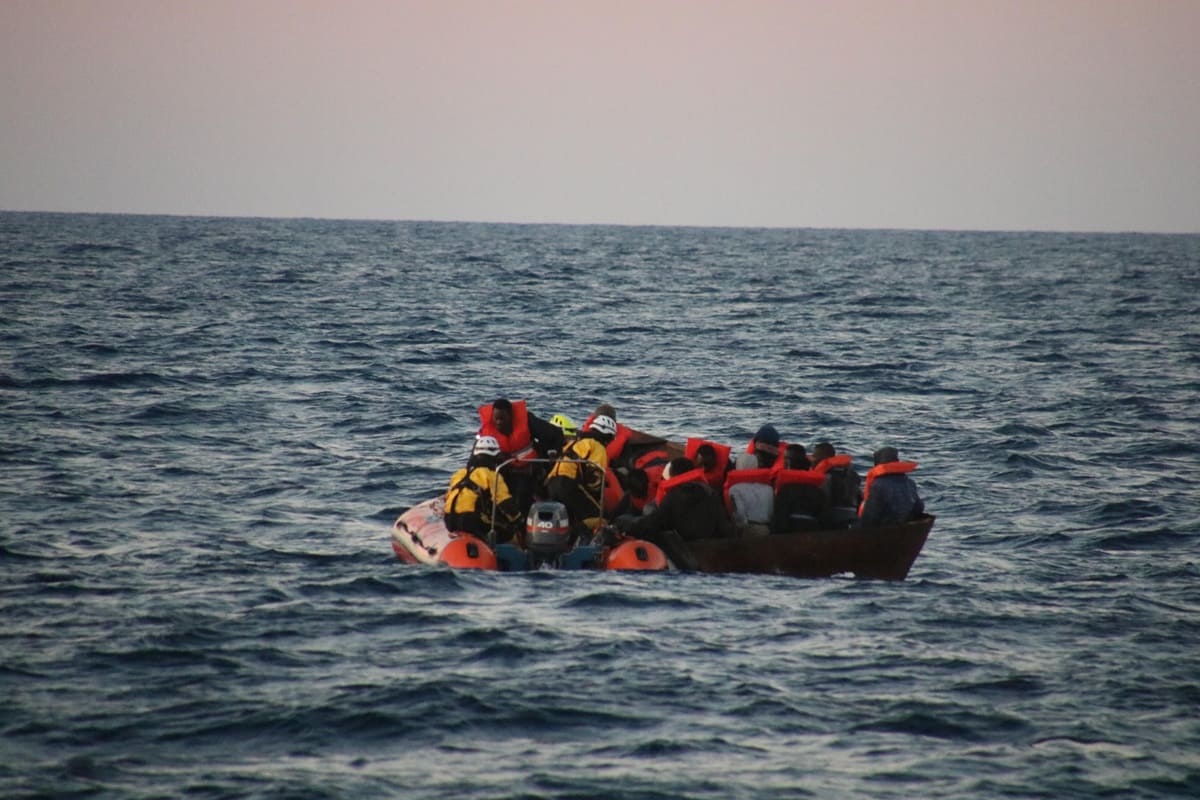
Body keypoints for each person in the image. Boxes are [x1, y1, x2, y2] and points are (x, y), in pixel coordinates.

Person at [619, 457, 735, 546]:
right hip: (708, 546)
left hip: (685, 550)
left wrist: (626, 530)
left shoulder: (673, 497)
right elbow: (724, 528)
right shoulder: (710, 493)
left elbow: (652, 524)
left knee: (624, 519)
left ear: (673, 476)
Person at [477, 397, 566, 513]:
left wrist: (552, 454)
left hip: (527, 469)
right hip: (500, 471)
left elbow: (556, 435)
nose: (498, 422)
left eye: (502, 419)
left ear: (511, 417)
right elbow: (476, 456)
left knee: (521, 497)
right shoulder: (486, 430)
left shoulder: (528, 421)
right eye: (496, 419)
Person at [544, 414, 618, 536]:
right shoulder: (598, 447)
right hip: (567, 485)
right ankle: (575, 535)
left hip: (551, 484)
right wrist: (598, 500)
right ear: (608, 436)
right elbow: (595, 479)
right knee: (600, 517)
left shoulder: (577, 441)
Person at [443, 435, 522, 542]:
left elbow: (447, 497)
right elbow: (505, 503)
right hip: (471, 521)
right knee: (508, 531)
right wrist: (519, 520)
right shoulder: (492, 475)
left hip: (449, 520)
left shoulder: (460, 474)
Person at [857, 446, 925, 528]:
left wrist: (856, 527)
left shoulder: (878, 485)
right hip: (905, 525)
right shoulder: (910, 483)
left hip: (885, 527)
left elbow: (870, 516)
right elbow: (919, 508)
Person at [771, 444, 829, 533]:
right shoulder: (818, 491)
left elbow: (779, 519)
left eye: (786, 458)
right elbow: (824, 520)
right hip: (814, 535)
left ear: (789, 463)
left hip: (788, 535)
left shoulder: (784, 490)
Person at [810, 441, 862, 528]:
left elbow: (822, 502)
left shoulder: (827, 477)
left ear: (823, 457)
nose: (812, 459)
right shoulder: (851, 475)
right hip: (852, 517)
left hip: (831, 519)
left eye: (815, 456)